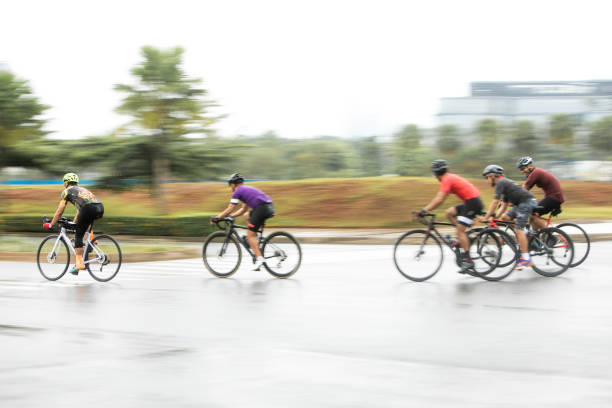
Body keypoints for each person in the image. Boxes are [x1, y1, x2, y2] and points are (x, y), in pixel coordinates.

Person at [418, 159, 483, 273]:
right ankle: (463, 238)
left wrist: (424, 210)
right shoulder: (449, 177)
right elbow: (441, 197)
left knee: (460, 231)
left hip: (472, 203)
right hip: (470, 202)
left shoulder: (446, 179)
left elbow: (439, 199)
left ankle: (469, 261)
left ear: (436, 174)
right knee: (449, 213)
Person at [477, 165, 537, 270]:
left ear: (492, 175)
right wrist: (494, 217)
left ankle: (526, 259)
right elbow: (503, 206)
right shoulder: (504, 184)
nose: (487, 180)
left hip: (526, 203)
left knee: (518, 229)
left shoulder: (501, 182)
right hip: (520, 204)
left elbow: (495, 202)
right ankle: (525, 234)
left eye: (487, 177)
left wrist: (486, 217)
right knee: (505, 217)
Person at [211, 173, 275, 271]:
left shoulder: (237, 192)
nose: (230, 187)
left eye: (230, 185)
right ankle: (255, 241)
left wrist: (217, 218)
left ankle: (259, 259)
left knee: (250, 235)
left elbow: (230, 207)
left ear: (233, 185)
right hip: (268, 207)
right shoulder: (245, 191)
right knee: (246, 216)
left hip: (261, 209)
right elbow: (243, 210)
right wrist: (230, 216)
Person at [43, 173, 104, 274]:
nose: (64, 185)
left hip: (88, 209)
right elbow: (80, 211)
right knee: (84, 224)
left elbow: (59, 211)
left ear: (66, 183)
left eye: (64, 183)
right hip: (100, 208)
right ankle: (92, 242)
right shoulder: (82, 190)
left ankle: (79, 264)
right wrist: (75, 223)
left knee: (78, 235)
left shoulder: (66, 192)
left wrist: (50, 224)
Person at [517, 156, 565, 231]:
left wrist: (510, 199)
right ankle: (536, 239)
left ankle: (550, 236)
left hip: (554, 197)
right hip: (554, 197)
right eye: (521, 170)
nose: (522, 171)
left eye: (523, 168)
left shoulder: (535, 173)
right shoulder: (535, 172)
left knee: (533, 216)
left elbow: (524, 189)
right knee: (532, 215)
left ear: (529, 166)